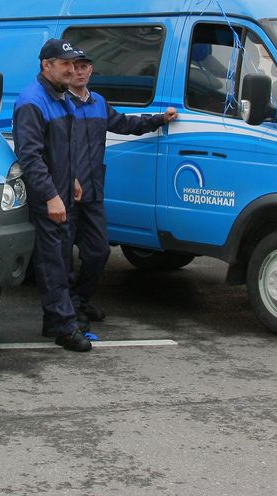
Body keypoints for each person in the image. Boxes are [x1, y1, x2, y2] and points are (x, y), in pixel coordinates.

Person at [68, 53, 177, 324]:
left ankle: (80, 300)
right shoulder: (60, 104)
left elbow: (126, 124)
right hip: (66, 191)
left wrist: (159, 119)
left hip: (92, 191)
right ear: (67, 71)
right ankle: (68, 309)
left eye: (84, 67)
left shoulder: (98, 103)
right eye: (75, 68)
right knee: (61, 257)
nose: (80, 72)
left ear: (91, 71)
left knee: (98, 251)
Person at [12, 38, 92, 352]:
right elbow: (30, 157)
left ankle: (56, 319)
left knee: (61, 258)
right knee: (53, 262)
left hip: (61, 190)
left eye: (75, 64)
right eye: (66, 64)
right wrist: (50, 196)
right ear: (46, 65)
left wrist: (70, 178)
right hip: (48, 196)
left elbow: (58, 147)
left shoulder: (58, 96)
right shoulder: (32, 101)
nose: (72, 70)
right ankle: (63, 326)